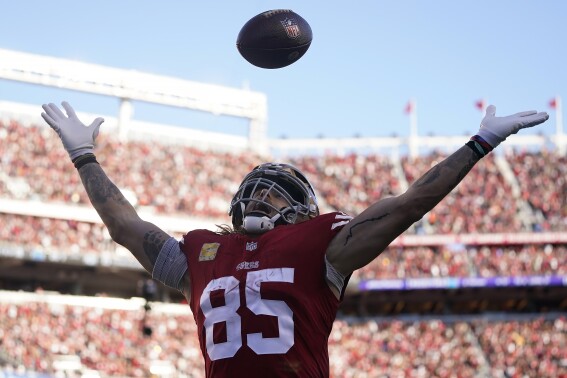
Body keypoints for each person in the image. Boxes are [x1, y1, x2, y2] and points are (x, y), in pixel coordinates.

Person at [41, 101, 548, 377]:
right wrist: (84, 156)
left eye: (277, 194)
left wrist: (480, 143)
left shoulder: (323, 246)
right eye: (254, 188)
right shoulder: (201, 252)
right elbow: (126, 227)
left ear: (303, 210)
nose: (260, 197)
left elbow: (410, 203)